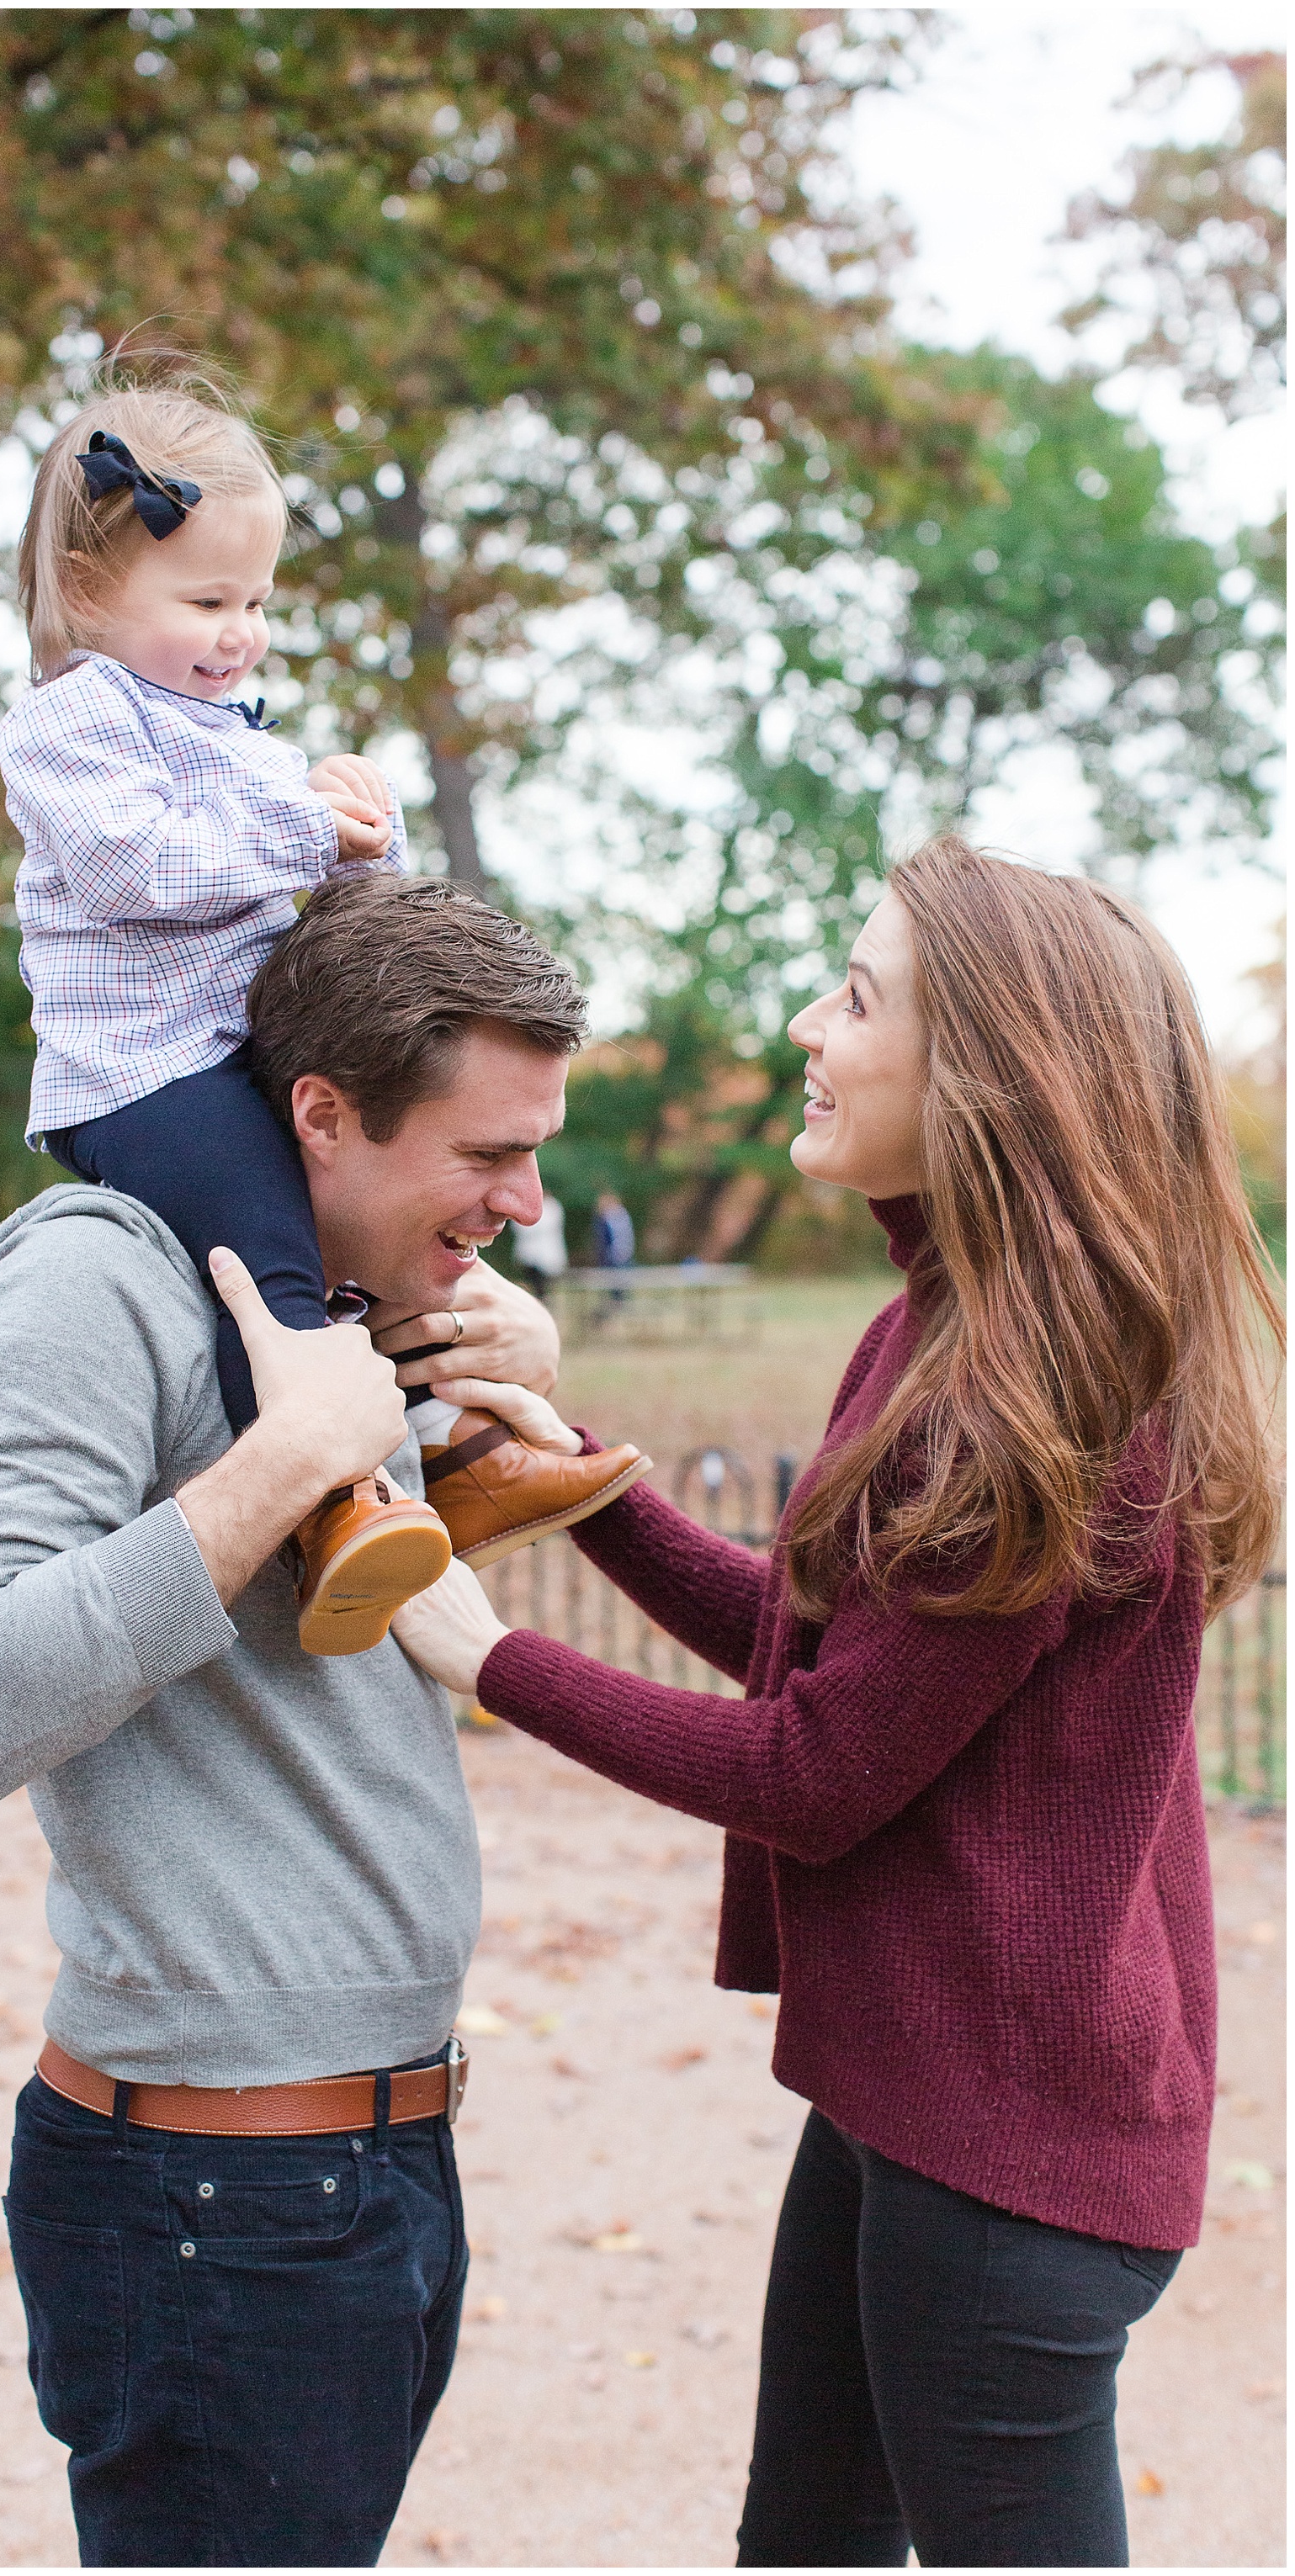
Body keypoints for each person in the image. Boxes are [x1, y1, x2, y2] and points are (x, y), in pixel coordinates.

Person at [389, 837, 1283, 2570]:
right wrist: (578, 1478)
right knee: (801, 2542)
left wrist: (482, 1654)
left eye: (856, 995)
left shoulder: (1039, 1400)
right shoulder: (959, 1328)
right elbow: (837, 1652)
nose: (806, 1022)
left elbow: (815, 1770)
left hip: (1005, 2160)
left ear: (990, 1076)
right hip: (918, 2101)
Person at [0, 874, 646, 2569]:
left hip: (373, 2165)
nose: (528, 1199)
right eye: (485, 1154)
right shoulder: (94, 1276)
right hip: (213, 2201)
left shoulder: (331, 1307)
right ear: (321, 1111)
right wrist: (283, 1465)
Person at [0, 356, 635, 1650]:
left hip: (240, 1047)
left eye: (259, 599)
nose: (242, 630)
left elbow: (354, 936)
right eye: (208, 597)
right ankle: (326, 1501)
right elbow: (143, 869)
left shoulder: (234, 729)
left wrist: (369, 840)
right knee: (268, 1253)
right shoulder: (68, 729)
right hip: (145, 1072)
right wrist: (299, 825)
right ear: (86, 591)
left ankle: (461, 1451)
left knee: (375, 1243)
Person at [510, 1190, 568, 1300]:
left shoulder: (552, 1208)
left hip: (545, 1252)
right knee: (533, 1279)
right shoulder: (529, 1206)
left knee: (543, 1282)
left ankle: (542, 1300)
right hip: (531, 1252)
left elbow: (543, 1227)